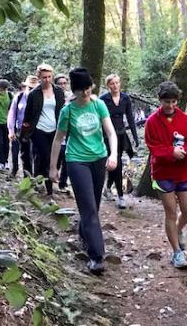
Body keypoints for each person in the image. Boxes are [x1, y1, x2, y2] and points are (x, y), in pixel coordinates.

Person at [49, 67, 118, 275]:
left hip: (99, 158)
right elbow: (58, 139)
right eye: (82, 91)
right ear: (75, 91)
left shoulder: (98, 106)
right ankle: (96, 256)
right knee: (88, 207)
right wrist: (53, 167)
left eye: (89, 89)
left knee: (93, 206)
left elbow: (111, 133)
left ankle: (83, 231)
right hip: (76, 161)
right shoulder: (67, 111)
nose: (86, 94)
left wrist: (113, 154)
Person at [144, 81, 187, 270]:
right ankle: (177, 252)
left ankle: (177, 230)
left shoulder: (186, 120)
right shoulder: (152, 121)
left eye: (174, 101)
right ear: (160, 101)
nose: (170, 105)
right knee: (171, 211)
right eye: (167, 101)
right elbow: (153, 146)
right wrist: (170, 152)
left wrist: (186, 153)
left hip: (183, 171)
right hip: (162, 172)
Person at [22, 63, 66, 196]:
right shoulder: (34, 94)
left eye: (49, 77)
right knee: (46, 156)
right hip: (39, 130)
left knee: (52, 157)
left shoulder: (58, 91)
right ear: (39, 77)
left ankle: (39, 179)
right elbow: (28, 115)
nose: (47, 80)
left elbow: (62, 110)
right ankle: (49, 190)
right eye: (44, 77)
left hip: (55, 129)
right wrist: (25, 132)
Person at [100, 74, 140, 209]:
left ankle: (110, 189)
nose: (115, 86)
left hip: (121, 134)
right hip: (107, 136)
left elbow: (129, 117)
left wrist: (135, 137)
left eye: (117, 83)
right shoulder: (103, 100)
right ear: (108, 85)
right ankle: (120, 195)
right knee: (115, 164)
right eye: (112, 83)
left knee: (116, 164)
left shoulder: (125, 98)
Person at [7, 75, 39, 178]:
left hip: (35, 130)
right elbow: (12, 114)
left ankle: (33, 177)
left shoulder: (39, 97)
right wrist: (11, 130)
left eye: (34, 88)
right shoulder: (19, 97)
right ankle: (15, 170)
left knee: (34, 155)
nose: (32, 90)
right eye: (30, 87)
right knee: (19, 152)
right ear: (26, 86)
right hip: (20, 129)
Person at [54, 73, 73, 191]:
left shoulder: (72, 97)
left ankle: (63, 183)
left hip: (69, 131)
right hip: (56, 130)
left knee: (67, 158)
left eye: (64, 83)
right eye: (60, 83)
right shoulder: (53, 96)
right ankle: (53, 178)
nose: (62, 86)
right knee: (56, 156)